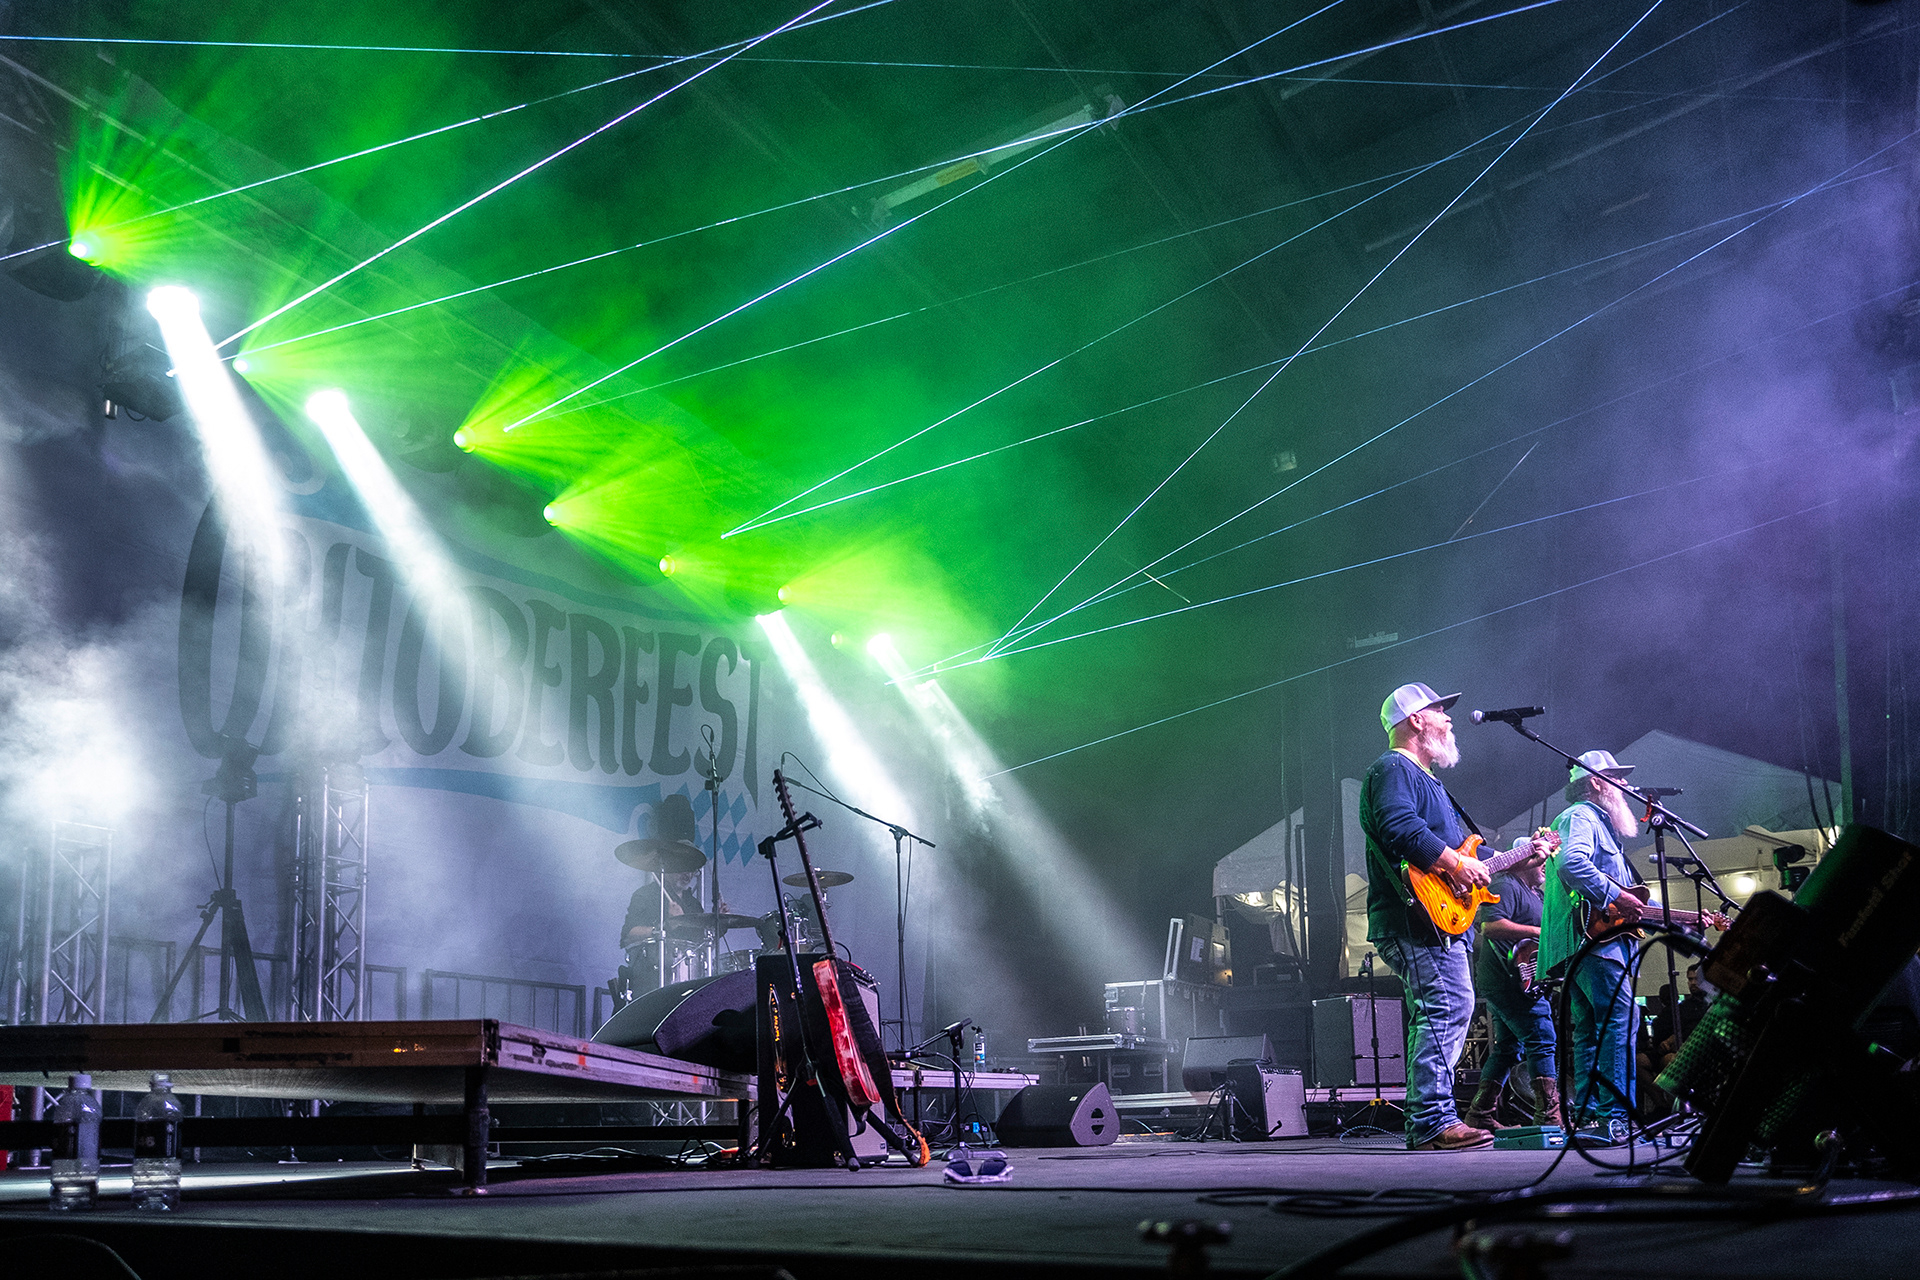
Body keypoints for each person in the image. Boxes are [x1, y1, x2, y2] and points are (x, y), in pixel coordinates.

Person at [1359, 682, 1495, 1150]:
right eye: (1439, 709)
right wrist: (1456, 864)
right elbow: (1399, 827)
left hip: (1437, 918)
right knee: (1445, 1007)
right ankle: (1431, 1122)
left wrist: (1520, 859)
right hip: (1413, 919)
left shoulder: (1428, 780)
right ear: (1415, 720)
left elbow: (1464, 853)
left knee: (1451, 1006)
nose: (1449, 717)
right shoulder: (1394, 768)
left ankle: (1434, 1118)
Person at [1540, 749, 1646, 1143]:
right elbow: (1572, 864)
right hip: (1593, 942)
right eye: (1616, 778)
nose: (1625, 785)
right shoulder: (1581, 816)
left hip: (1583, 942)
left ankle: (1592, 1119)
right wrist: (1615, 895)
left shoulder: (1597, 823)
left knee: (1589, 1029)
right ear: (1597, 782)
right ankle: (1615, 1117)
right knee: (1620, 1019)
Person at [1466, 845, 1565, 1132]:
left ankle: (1480, 1113)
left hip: (1521, 981)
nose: (1545, 866)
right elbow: (1490, 927)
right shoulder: (1506, 884)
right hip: (1508, 981)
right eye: (1539, 860)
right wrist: (1537, 932)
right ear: (1524, 861)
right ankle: (1549, 1116)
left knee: (1508, 1049)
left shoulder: (1537, 894)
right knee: (1542, 1038)